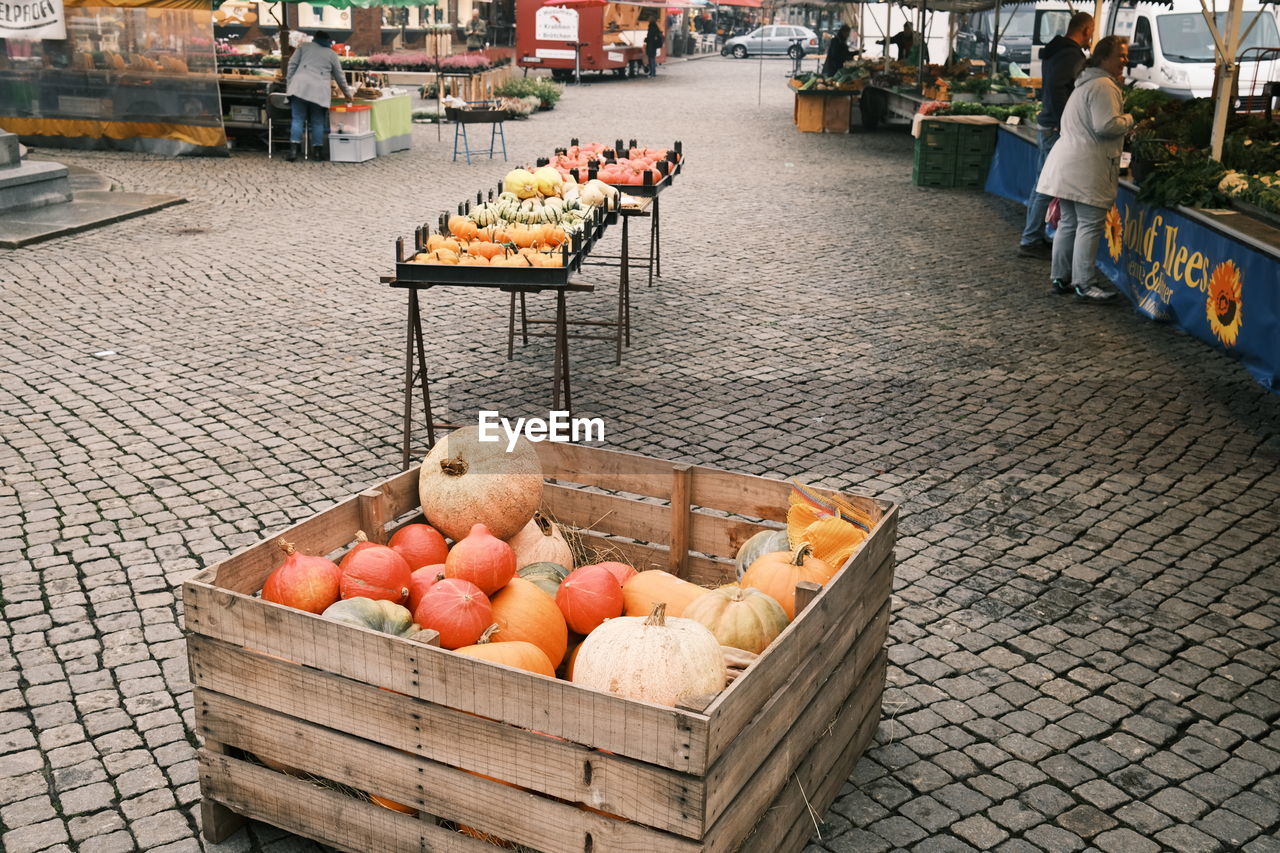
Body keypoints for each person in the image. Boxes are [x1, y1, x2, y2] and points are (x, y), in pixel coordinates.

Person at [1036, 35, 1133, 302]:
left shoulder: (1085, 83)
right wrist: (1130, 118)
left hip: (1069, 163)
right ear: (1104, 58)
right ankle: (1084, 284)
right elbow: (1106, 126)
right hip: (1087, 166)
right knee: (1089, 225)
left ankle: (1060, 277)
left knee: (1069, 223)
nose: (1125, 61)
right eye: (1121, 56)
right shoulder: (1103, 86)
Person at [1017, 12, 1094, 259]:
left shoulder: (1055, 50)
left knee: (1043, 183)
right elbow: (1057, 88)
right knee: (1046, 185)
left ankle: (1034, 235)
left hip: (1049, 123)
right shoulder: (1070, 54)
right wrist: (1065, 122)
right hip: (1055, 127)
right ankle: (1030, 239)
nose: (1091, 36)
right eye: (1091, 31)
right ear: (1085, 28)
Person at [285, 32, 354, 162]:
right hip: (319, 91)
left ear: (315, 38)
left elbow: (291, 65)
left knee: (297, 119)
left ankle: (293, 151)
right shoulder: (331, 54)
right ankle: (317, 153)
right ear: (328, 40)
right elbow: (340, 76)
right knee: (318, 121)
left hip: (299, 88)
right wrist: (347, 94)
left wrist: (290, 84)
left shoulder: (303, 47)